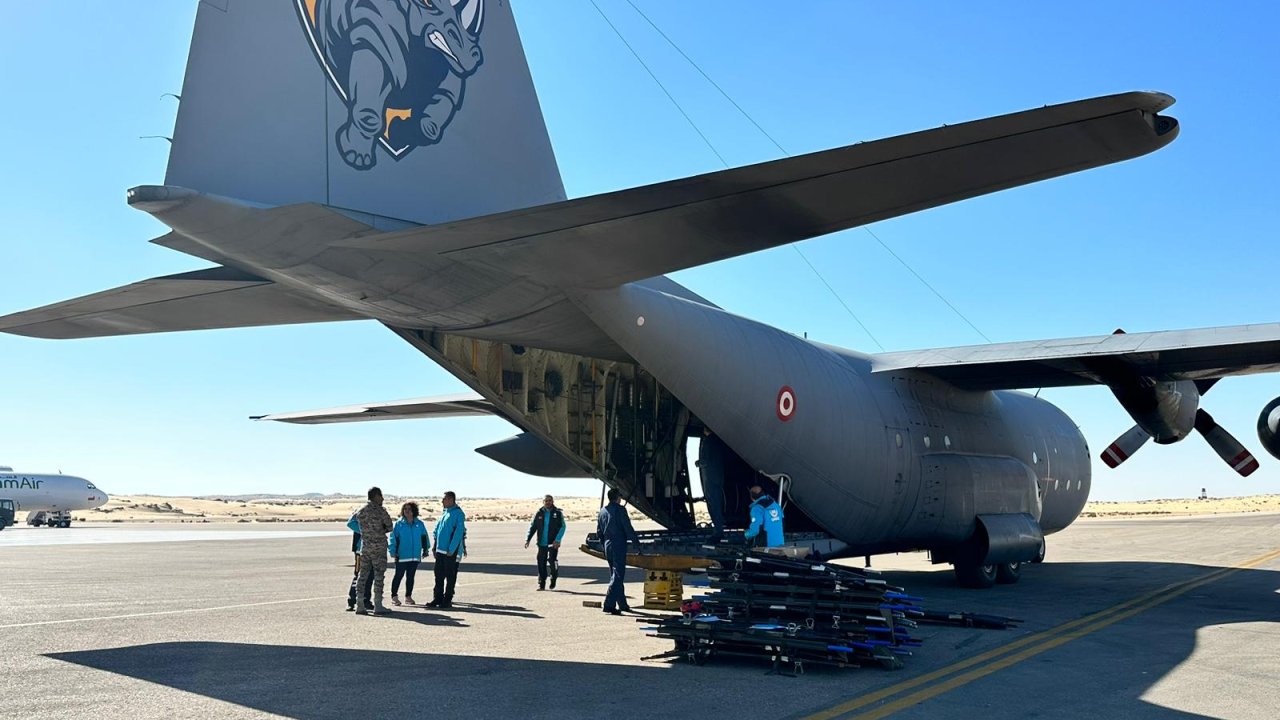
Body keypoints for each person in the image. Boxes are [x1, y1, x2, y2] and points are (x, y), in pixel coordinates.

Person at [596, 488, 638, 615]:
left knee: (615, 575)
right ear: (617, 498)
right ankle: (609, 604)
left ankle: (622, 604)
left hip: (607, 545)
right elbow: (627, 527)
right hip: (618, 544)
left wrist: (604, 546)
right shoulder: (620, 510)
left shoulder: (602, 511)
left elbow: (599, 531)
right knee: (618, 575)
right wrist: (636, 543)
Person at [354, 486, 394, 615]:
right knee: (378, 576)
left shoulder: (361, 511)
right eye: (381, 496)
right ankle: (378, 604)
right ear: (376, 496)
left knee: (362, 576)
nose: (382, 499)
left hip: (365, 547)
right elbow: (389, 526)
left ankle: (359, 603)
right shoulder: (380, 511)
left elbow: (356, 525)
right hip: (378, 548)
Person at [429, 491, 466, 608]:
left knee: (450, 576)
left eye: (444, 499)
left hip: (450, 551)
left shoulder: (458, 514)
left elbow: (458, 532)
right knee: (438, 575)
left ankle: (447, 599)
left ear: (451, 500)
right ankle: (437, 598)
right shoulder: (445, 513)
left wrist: (452, 548)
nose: (442, 501)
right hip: (440, 550)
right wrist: (435, 547)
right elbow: (437, 532)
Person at [389, 501, 429, 606]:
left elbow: (424, 537)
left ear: (414, 511)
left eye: (409, 509)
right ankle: (394, 596)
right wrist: (392, 551)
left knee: (411, 577)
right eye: (405, 509)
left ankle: (408, 596)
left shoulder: (419, 524)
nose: (407, 511)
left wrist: (425, 549)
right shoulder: (399, 524)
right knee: (398, 576)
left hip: (415, 556)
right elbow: (393, 538)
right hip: (401, 555)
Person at [524, 495, 566, 590]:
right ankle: (541, 583)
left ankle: (553, 577)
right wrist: (528, 539)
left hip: (553, 543)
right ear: (543, 502)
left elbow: (563, 527)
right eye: (546, 501)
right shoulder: (539, 513)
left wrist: (558, 539)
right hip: (542, 543)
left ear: (553, 501)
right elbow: (533, 527)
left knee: (552, 560)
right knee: (541, 562)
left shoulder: (558, 513)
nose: (548, 502)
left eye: (550, 500)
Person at [345, 511, 373, 612]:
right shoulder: (361, 511)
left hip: (374, 550)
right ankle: (352, 601)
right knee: (358, 575)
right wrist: (365, 531)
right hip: (360, 550)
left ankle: (366, 600)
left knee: (371, 576)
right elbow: (350, 523)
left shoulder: (378, 512)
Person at [744, 483, 785, 548]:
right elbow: (782, 520)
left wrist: (746, 535)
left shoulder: (757, 509)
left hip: (766, 546)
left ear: (751, 496)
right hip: (780, 543)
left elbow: (755, 530)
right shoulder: (775, 505)